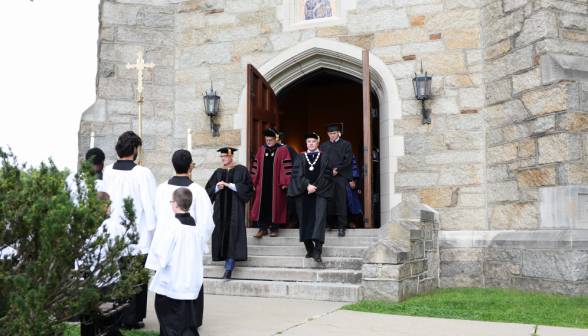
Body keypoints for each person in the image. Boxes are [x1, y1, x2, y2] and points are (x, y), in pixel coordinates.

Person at [153, 149, 215, 327]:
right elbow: (206, 221)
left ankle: (169, 321)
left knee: (168, 281)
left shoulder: (162, 189)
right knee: (189, 277)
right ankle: (192, 320)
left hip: (167, 246)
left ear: (173, 165)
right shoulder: (198, 191)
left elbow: (158, 214)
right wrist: (198, 242)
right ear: (190, 166)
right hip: (190, 248)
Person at [103, 131, 157, 330]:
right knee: (134, 277)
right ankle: (131, 318)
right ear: (135, 150)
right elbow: (150, 204)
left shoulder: (108, 171)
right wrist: (154, 230)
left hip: (111, 233)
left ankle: (113, 313)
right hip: (137, 235)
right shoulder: (143, 173)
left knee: (114, 275)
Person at [146, 188, 209, 336]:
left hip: (172, 281)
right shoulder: (196, 227)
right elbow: (201, 250)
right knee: (186, 319)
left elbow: (161, 253)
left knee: (169, 317)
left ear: (175, 204)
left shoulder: (171, 226)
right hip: (189, 280)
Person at [205, 147, 253, 279]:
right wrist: (216, 187)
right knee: (221, 234)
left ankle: (229, 268)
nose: (223, 159)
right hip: (220, 211)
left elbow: (248, 188)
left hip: (235, 210)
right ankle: (223, 259)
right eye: (221, 157)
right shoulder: (218, 172)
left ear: (232, 156)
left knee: (233, 235)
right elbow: (208, 189)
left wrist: (229, 185)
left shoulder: (241, 170)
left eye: (225, 156)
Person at [287, 133, 333, 262]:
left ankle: (318, 251)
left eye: (313, 141)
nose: (311, 143)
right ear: (306, 143)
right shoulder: (300, 157)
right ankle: (309, 249)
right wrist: (307, 185)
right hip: (303, 194)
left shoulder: (325, 157)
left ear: (318, 143)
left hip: (320, 193)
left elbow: (327, 176)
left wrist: (315, 187)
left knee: (319, 222)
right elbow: (296, 175)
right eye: (309, 141)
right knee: (304, 221)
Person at [250, 128, 292, 238]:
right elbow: (256, 167)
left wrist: (285, 182)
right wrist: (253, 182)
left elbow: (286, 167)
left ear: (276, 139)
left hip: (276, 185)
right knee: (260, 205)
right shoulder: (261, 150)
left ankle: (274, 228)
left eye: (270, 140)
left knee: (276, 205)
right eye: (266, 140)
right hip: (262, 184)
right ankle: (262, 228)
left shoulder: (283, 150)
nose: (268, 142)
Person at [319, 123, 354, 237]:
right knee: (329, 199)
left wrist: (337, 170)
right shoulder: (323, 146)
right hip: (328, 177)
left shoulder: (346, 144)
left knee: (340, 200)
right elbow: (321, 161)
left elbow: (348, 160)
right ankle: (329, 224)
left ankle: (342, 227)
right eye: (330, 134)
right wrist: (329, 171)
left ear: (338, 132)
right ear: (327, 134)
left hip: (340, 176)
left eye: (334, 133)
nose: (332, 136)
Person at [278, 132, 299, 229]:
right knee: (278, 201)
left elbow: (295, 165)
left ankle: (293, 221)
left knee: (291, 201)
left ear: (279, 140)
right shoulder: (270, 151)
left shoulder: (288, 149)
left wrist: (288, 182)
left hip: (289, 181)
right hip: (277, 182)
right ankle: (278, 222)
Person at [346, 155, 363, 228]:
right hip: (333, 179)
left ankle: (349, 221)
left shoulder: (347, 150)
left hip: (346, 180)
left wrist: (351, 179)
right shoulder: (327, 148)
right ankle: (335, 222)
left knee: (348, 201)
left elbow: (352, 166)